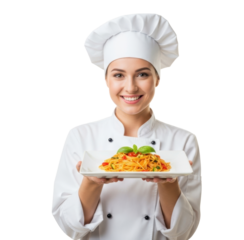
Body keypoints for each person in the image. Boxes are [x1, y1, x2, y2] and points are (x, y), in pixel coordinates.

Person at [51, 12, 202, 240]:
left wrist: (169, 184)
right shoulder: (80, 134)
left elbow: (184, 233)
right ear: (106, 80)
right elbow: (69, 228)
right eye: (119, 75)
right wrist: (91, 183)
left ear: (157, 79)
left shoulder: (183, 140)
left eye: (142, 74)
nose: (130, 87)